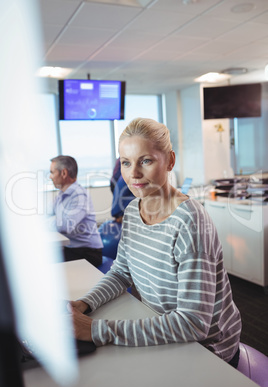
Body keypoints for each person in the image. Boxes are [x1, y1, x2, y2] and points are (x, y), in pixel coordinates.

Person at [68, 118, 242, 367]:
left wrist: (96, 330)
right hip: (163, 328)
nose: (133, 174)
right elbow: (120, 273)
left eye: (145, 161)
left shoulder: (189, 222)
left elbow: (194, 323)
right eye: (126, 163)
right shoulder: (132, 211)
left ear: (170, 161)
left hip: (207, 349)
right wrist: (84, 304)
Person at [49, 155, 103, 267]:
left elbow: (66, 225)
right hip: (73, 249)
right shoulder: (61, 195)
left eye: (52, 172)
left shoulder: (79, 195)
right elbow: (46, 213)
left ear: (63, 173)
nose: (50, 177)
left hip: (88, 253)